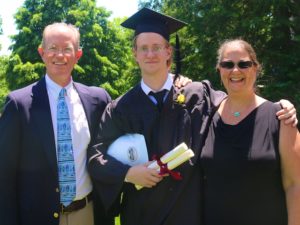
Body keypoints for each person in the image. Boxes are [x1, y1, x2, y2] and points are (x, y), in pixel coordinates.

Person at [87, 8, 297, 225]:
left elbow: (240, 101)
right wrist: (128, 173)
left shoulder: (197, 94)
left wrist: (279, 106)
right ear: (135, 53)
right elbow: (96, 158)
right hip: (142, 214)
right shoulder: (120, 107)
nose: (151, 54)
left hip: (189, 214)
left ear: (168, 51)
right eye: (144, 48)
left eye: (157, 47)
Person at [0, 23, 114, 225]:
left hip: (87, 214)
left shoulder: (97, 100)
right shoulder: (19, 105)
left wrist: (175, 82)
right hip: (36, 217)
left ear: (78, 55)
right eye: (52, 48)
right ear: (42, 53)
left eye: (67, 49)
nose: (59, 55)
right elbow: (4, 175)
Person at [200, 39, 300, 225]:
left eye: (244, 64)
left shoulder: (281, 118)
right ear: (219, 70)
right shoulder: (207, 116)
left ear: (255, 68)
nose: (235, 70)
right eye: (227, 64)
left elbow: (295, 185)